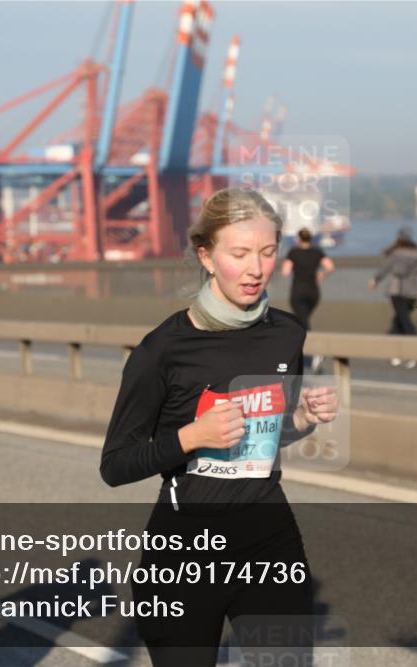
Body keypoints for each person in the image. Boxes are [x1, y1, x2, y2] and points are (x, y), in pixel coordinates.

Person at [100, 188, 339, 666]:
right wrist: (192, 437)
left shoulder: (288, 333)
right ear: (206, 256)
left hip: (269, 534)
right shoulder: (162, 349)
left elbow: (271, 433)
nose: (256, 269)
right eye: (240, 254)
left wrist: (302, 419)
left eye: (268, 252)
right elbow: (115, 465)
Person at [369, 225, 417, 368]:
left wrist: (374, 281)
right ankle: (395, 353)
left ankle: (415, 353)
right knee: (398, 320)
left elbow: (384, 269)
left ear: (399, 238)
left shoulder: (396, 254)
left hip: (397, 291)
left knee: (404, 321)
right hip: (413, 293)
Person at [281, 227, 334, 373]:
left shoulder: (293, 252)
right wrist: (322, 275)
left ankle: (313, 353)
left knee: (302, 323)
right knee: (303, 321)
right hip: (314, 293)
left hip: (298, 292)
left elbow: (285, 272)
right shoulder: (317, 252)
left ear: (298, 238)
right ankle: (306, 354)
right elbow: (330, 266)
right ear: (311, 238)